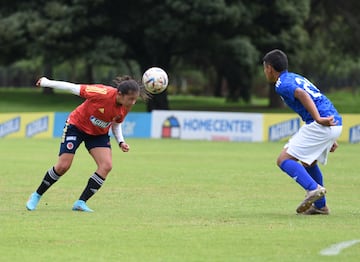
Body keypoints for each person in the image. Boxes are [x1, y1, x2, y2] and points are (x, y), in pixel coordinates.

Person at [26, 75, 148, 212]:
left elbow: (116, 123)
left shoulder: (126, 106)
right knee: (63, 166)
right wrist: (47, 83)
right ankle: (36, 195)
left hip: (98, 134)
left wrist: (121, 141)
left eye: (135, 99)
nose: (133, 103)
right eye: (131, 99)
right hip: (76, 126)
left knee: (106, 166)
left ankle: (80, 202)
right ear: (120, 94)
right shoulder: (102, 93)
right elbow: (72, 87)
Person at [262, 49, 342, 215]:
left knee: (283, 160)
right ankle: (320, 206)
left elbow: (302, 94)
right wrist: (329, 135)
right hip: (333, 121)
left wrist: (319, 119)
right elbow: (317, 96)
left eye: (264, 68)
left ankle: (313, 189)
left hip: (322, 122)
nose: (265, 72)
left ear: (269, 68)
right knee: (308, 162)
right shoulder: (295, 77)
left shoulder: (281, 84)